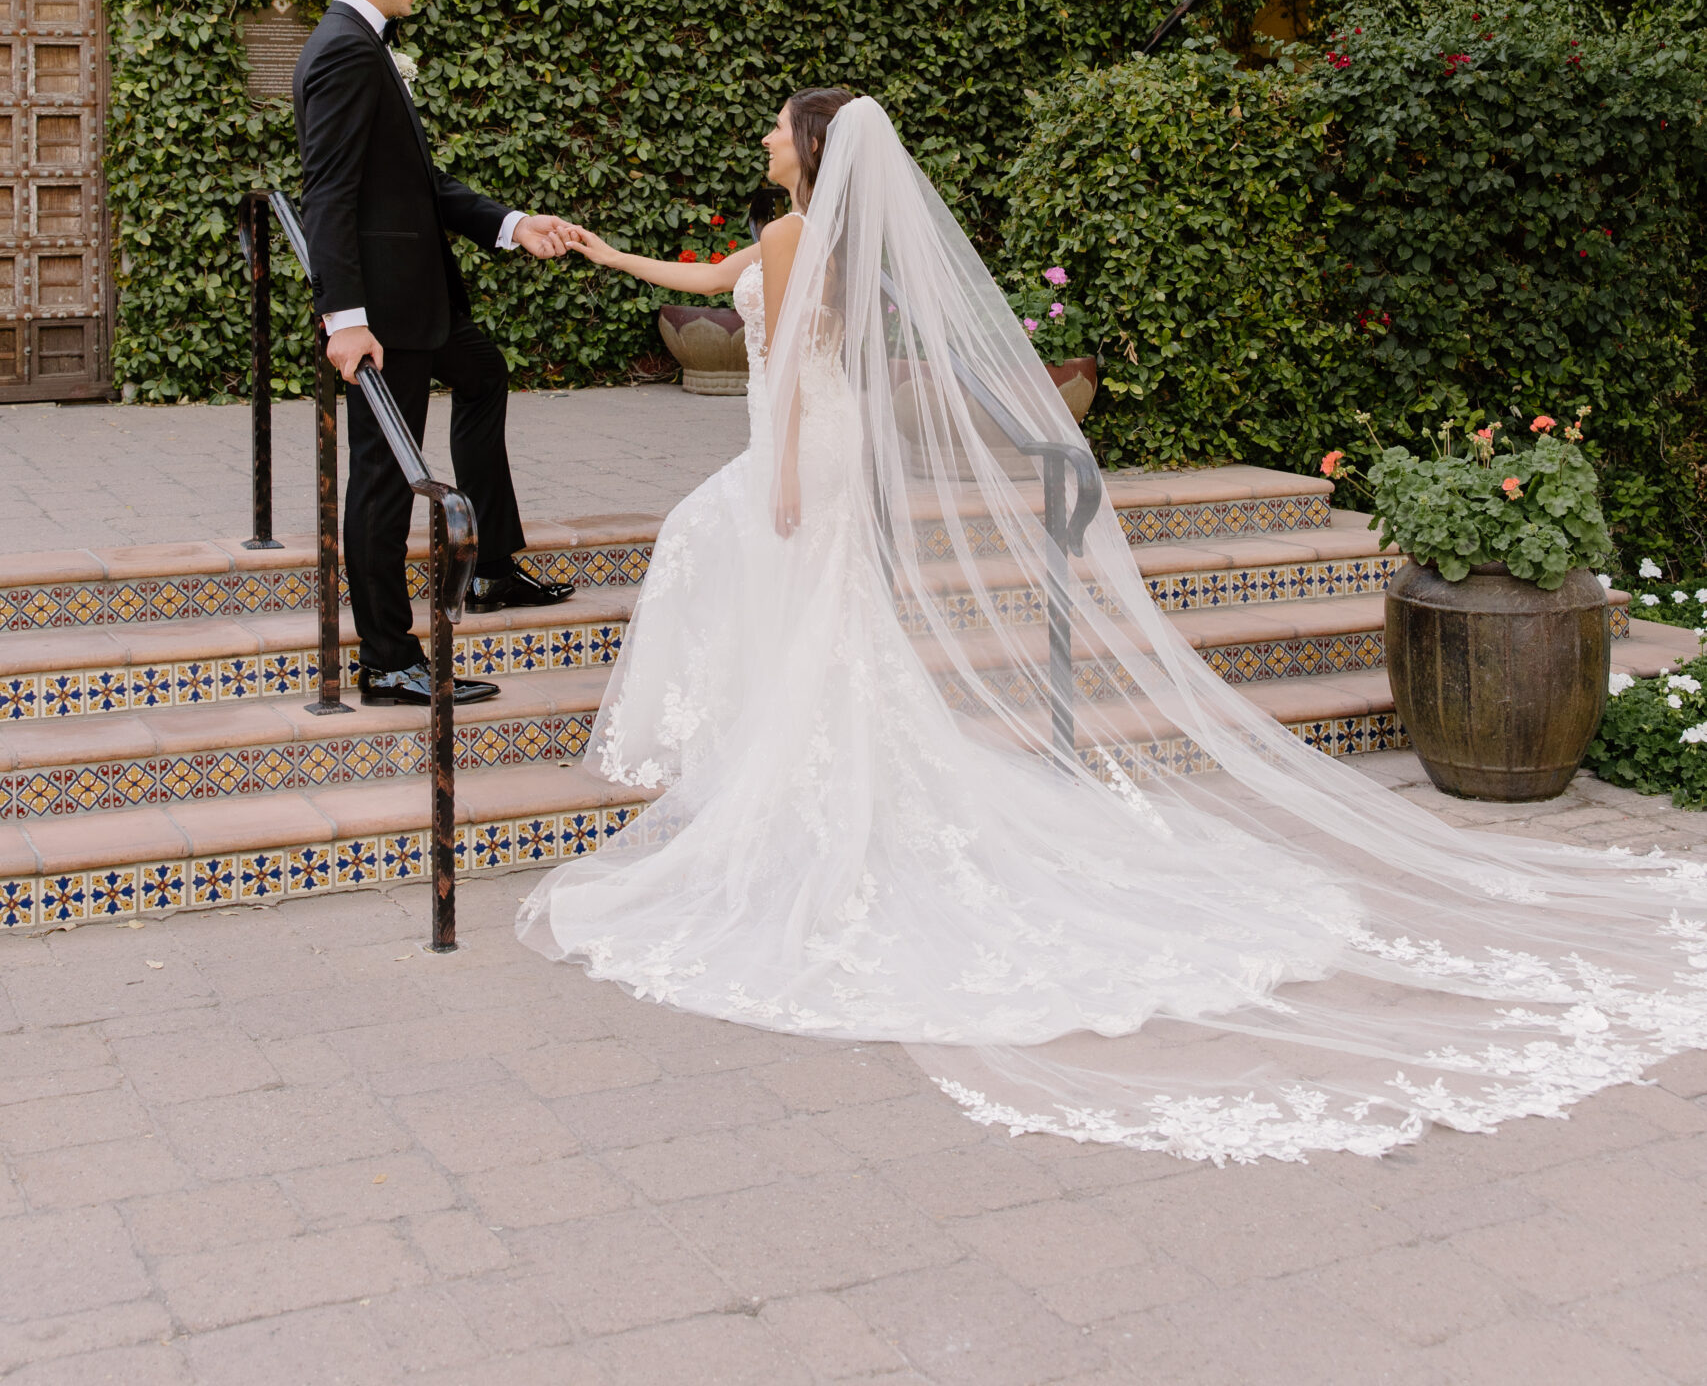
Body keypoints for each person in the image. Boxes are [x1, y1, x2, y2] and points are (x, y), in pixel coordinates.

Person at [518, 86, 1707, 1166]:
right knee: (819, 615)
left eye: (778, 125)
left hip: (799, 452)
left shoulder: (795, 236)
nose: (764, 135)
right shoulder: (805, 236)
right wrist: (602, 250)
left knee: (708, 545)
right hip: (824, 450)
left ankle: (782, 781)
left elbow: (777, 377)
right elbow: (710, 284)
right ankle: (798, 771)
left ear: (811, 149)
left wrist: (775, 471)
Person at [292, 0, 578, 708]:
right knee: (385, 477)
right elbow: (329, 194)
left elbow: (420, 185)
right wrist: (344, 319)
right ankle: (387, 658)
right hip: (382, 314)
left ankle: (488, 568)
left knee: (482, 374)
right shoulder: (344, 51)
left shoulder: (368, 47)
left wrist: (513, 225)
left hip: (426, 300)